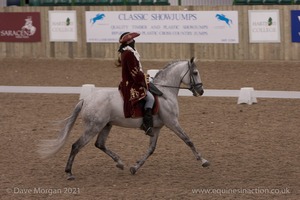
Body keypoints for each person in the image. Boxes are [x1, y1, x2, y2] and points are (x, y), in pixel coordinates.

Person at [117, 32, 155, 137]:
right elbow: (135, 73)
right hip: (132, 84)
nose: (134, 41)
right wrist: (144, 80)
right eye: (132, 40)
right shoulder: (129, 54)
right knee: (151, 98)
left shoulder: (127, 52)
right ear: (129, 42)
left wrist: (144, 76)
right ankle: (147, 125)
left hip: (129, 80)